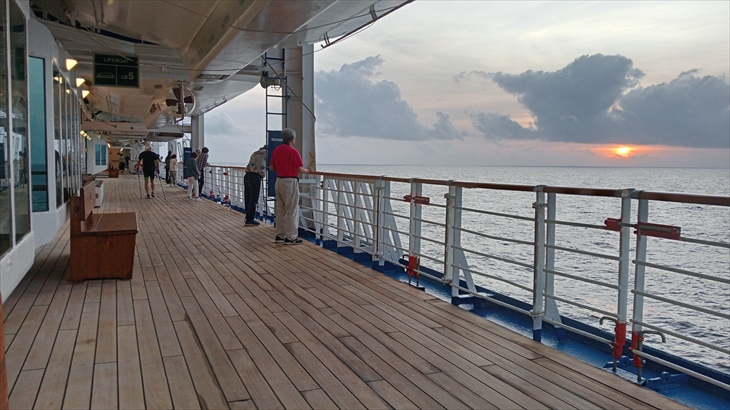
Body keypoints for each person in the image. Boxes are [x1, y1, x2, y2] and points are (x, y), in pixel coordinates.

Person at [269, 128, 312, 244]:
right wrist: (308, 171)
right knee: (292, 210)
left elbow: (272, 167)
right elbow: (299, 169)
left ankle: (280, 235)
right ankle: (291, 237)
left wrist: (282, 167)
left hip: (279, 181)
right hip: (290, 181)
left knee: (280, 210)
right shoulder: (293, 152)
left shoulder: (277, 150)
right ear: (293, 139)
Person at [243, 145, 267, 226]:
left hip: (247, 175)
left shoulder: (255, 153)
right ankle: (250, 219)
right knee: (253, 199)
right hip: (255, 176)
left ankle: (248, 217)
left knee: (248, 198)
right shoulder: (266, 154)